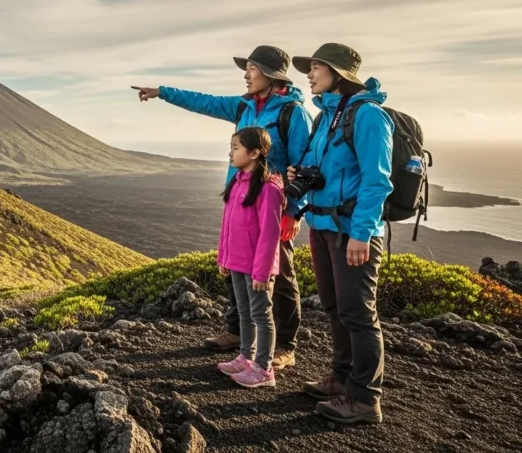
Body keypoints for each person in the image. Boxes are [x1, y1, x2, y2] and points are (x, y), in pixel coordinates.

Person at [131, 45, 312, 370]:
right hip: (240, 200)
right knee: (237, 266)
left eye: (252, 69)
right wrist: (162, 92)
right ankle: (237, 332)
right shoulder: (243, 107)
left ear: (270, 75)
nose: (246, 74)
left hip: (272, 206)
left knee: (280, 274)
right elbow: (205, 102)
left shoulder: (293, 113)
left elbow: (304, 163)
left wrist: (294, 210)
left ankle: (285, 345)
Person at [287, 43, 393, 424]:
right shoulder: (326, 118)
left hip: (353, 231)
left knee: (358, 312)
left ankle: (365, 399)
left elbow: (377, 182)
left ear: (339, 73)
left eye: (316, 68)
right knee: (335, 306)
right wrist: (300, 177)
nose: (310, 75)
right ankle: (342, 378)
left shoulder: (368, 117)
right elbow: (321, 170)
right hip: (323, 226)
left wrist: (362, 234)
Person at [214, 127, 285, 388]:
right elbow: (227, 225)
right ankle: (246, 356)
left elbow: (270, 234)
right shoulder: (238, 181)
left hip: (257, 268)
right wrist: (224, 258)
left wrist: (263, 273)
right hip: (237, 262)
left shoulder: (268, 188)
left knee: (261, 315)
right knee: (243, 311)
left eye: (235, 148)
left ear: (254, 153)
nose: (230, 153)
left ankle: (264, 369)